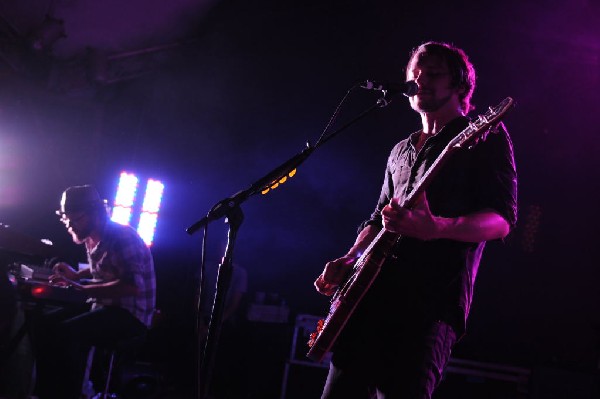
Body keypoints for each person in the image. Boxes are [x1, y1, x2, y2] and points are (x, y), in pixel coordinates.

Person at [314, 41, 518, 399]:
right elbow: (378, 218)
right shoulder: (400, 150)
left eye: (434, 74)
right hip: (368, 300)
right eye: (414, 75)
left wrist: (436, 227)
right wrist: (350, 258)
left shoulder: (485, 136)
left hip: (428, 306)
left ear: (460, 86)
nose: (420, 81)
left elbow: (500, 220)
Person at [32, 185, 156, 399]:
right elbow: (105, 263)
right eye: (66, 220)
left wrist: (83, 288)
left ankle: (71, 394)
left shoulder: (122, 237)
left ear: (96, 214)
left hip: (131, 315)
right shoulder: (92, 235)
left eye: (76, 219)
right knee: (43, 324)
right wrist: (76, 276)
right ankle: (46, 391)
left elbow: (130, 286)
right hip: (108, 306)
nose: (70, 226)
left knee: (68, 333)